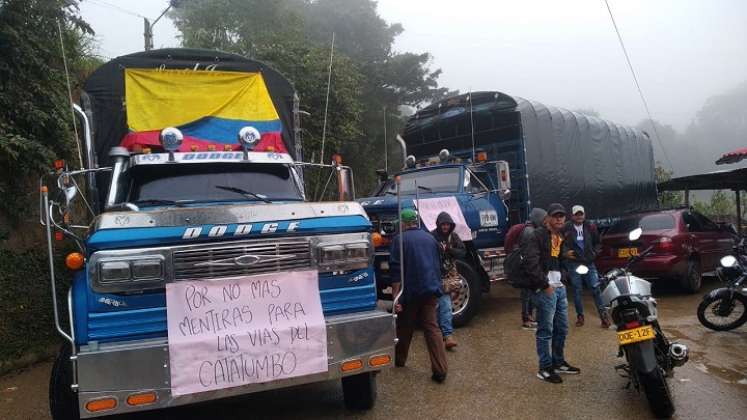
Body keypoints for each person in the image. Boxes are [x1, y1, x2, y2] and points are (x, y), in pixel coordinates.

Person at [520, 203, 580, 384]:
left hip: (559, 288)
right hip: (544, 289)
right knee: (546, 330)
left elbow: (559, 260)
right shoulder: (536, 236)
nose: (559, 218)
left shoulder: (559, 236)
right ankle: (544, 368)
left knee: (562, 328)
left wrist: (564, 277)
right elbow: (531, 263)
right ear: (547, 219)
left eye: (562, 216)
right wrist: (545, 286)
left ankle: (558, 362)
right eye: (555, 216)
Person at [390, 208, 448, 383]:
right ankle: (440, 370)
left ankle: (400, 360)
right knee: (432, 328)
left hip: (411, 292)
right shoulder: (431, 238)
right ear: (416, 222)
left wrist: (395, 298)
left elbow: (395, 272)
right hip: (430, 290)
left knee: (405, 326)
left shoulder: (399, 240)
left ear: (403, 223)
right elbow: (438, 265)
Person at [563, 205, 611, 328]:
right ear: (572, 215)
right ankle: (580, 316)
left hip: (589, 263)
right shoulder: (566, 227)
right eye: (576, 214)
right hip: (574, 264)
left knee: (595, 289)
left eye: (581, 214)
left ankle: (603, 316)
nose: (579, 216)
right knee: (577, 290)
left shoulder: (590, 226)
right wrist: (565, 253)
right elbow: (560, 242)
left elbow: (597, 243)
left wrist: (594, 253)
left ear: (584, 215)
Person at [504, 210, 547, 330]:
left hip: (524, 266)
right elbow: (529, 252)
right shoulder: (530, 232)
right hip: (525, 268)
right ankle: (526, 319)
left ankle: (528, 316)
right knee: (526, 294)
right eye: (543, 219)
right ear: (538, 219)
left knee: (529, 292)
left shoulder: (529, 229)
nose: (544, 222)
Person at [431, 211, 466, 350]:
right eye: (443, 224)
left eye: (447, 224)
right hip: (434, 274)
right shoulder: (432, 237)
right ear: (439, 224)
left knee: (445, 304)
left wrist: (450, 250)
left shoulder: (454, 237)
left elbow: (463, 252)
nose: (445, 227)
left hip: (449, 275)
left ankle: (447, 335)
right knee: (435, 306)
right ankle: (441, 334)